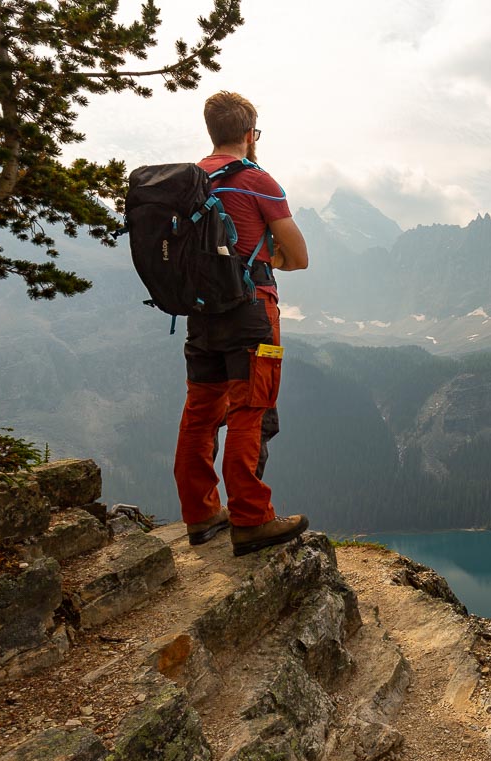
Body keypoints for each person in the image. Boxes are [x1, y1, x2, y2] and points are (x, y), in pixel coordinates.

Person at [174, 91, 310, 556]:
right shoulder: (259, 182)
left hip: (200, 313)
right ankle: (251, 519)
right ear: (250, 133)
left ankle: (201, 514)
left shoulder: (188, 181)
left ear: (211, 131)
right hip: (252, 314)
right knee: (249, 409)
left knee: (200, 412)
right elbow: (300, 257)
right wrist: (264, 253)